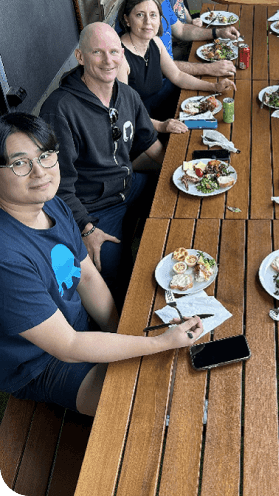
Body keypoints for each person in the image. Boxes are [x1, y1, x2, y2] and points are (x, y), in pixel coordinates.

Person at [0, 112, 203, 416]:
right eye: (19, 163)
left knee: (176, 365)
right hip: (40, 363)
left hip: (77, 328)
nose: (39, 172)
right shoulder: (6, 257)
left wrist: (121, 332)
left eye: (45, 156)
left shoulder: (51, 203)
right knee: (148, 403)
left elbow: (88, 278)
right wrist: (158, 343)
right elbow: (67, 345)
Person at [39, 22, 164, 308]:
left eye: (113, 52)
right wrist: (86, 228)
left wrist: (184, 170)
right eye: (97, 52)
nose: (108, 61)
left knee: (173, 196)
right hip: (92, 208)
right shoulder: (60, 109)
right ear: (80, 57)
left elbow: (151, 146)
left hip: (128, 186)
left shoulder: (127, 95)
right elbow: (56, 187)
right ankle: (122, 326)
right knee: (112, 269)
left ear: (122, 54)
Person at [117, 0, 236, 135]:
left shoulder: (154, 42)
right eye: (140, 15)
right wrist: (161, 126)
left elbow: (178, 76)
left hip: (161, 111)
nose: (148, 22)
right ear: (127, 19)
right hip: (140, 126)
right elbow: (126, 111)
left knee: (217, 126)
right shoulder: (120, 58)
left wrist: (214, 87)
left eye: (153, 15)